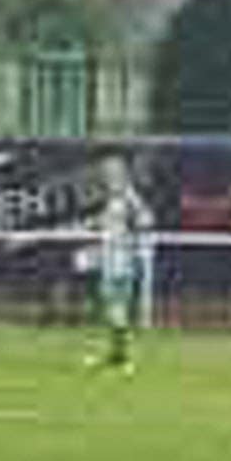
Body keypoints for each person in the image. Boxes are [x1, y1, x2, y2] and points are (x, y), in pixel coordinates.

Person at [91, 152, 155, 370]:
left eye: (111, 170)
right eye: (106, 171)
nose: (107, 175)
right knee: (112, 307)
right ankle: (116, 354)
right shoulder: (112, 197)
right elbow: (108, 224)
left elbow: (146, 219)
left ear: (122, 173)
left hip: (122, 259)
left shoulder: (129, 197)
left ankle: (125, 356)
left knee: (116, 307)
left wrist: (134, 245)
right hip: (109, 257)